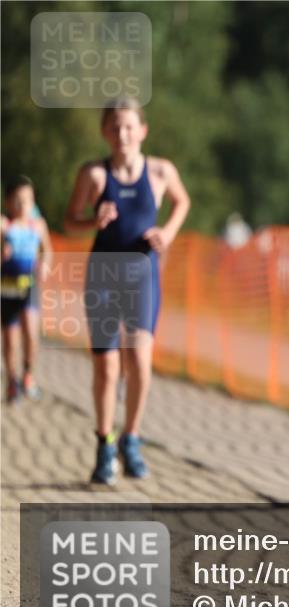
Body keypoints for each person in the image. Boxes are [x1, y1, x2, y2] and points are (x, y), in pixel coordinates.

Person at [64, 97, 190, 485]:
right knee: (107, 365)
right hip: (103, 274)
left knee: (139, 358)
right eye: (115, 127)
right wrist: (92, 221)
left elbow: (182, 201)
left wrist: (166, 233)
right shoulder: (95, 175)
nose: (122, 134)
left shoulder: (160, 171)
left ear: (142, 130)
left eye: (129, 126)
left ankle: (131, 438)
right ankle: (105, 444)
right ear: (105, 132)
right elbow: (70, 221)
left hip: (142, 275)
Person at [2, 176, 52, 403]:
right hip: (7, 287)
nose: (24, 206)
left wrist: (44, 264)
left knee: (31, 333)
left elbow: (47, 251)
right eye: (18, 201)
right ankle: (12, 381)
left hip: (30, 284)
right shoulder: (4, 225)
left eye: (28, 200)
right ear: (8, 203)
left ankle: (28, 375)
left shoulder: (38, 225)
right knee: (11, 340)